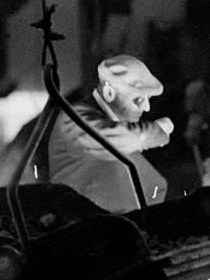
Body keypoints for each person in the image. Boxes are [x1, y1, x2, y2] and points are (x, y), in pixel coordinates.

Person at [46, 54, 174, 212]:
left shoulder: (111, 123)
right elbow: (115, 140)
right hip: (79, 225)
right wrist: (155, 131)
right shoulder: (74, 118)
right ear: (109, 92)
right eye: (138, 99)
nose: (146, 107)